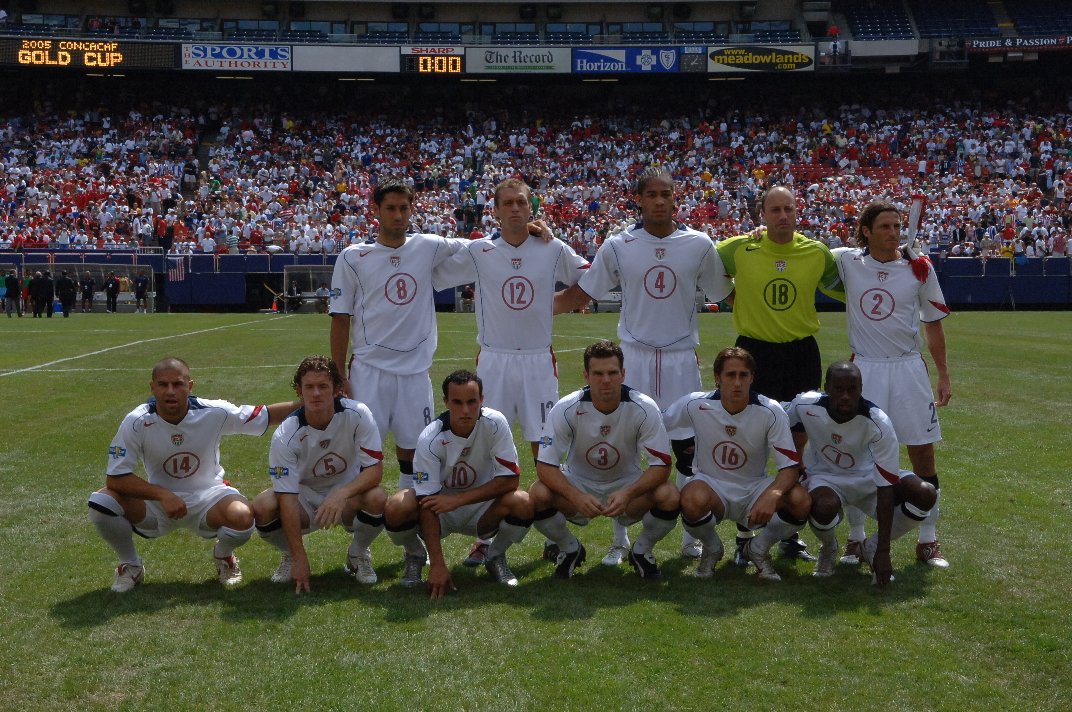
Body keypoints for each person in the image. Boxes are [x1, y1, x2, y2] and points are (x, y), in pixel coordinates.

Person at [555, 168, 732, 565]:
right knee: (627, 449)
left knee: (689, 451)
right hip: (632, 358)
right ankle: (620, 540)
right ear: (639, 199)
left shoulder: (699, 244)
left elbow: (729, 291)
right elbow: (582, 293)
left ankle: (691, 536)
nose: (658, 201)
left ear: (675, 198)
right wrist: (530, 308)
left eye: (665, 194)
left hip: (680, 358)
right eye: (650, 194)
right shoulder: (620, 244)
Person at [435, 177, 589, 567]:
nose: (516, 209)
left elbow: (589, 280)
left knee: (545, 454)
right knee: (488, 453)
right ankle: (486, 539)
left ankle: (554, 536)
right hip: (495, 360)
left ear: (530, 208)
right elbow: (433, 274)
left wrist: (550, 306)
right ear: (496, 210)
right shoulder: (480, 250)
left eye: (522, 202)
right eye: (508, 203)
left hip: (538, 361)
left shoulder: (552, 248)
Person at [87, 357, 297, 592]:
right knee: (101, 502)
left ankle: (224, 556)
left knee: (242, 516)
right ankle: (131, 565)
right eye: (163, 384)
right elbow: (116, 477)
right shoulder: (137, 421)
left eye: (177, 384)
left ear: (190, 386)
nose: (170, 391)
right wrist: (162, 495)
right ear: (152, 387)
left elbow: (266, 415)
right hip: (158, 505)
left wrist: (317, 401)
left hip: (209, 497)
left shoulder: (214, 411)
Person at [715, 184, 843, 564]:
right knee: (750, 443)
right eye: (775, 210)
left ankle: (789, 531)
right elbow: (697, 262)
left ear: (797, 211)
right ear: (762, 215)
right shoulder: (740, 249)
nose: (782, 216)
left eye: (788, 208)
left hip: (802, 352)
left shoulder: (816, 252)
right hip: (754, 352)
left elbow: (852, 283)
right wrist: (736, 299)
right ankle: (744, 533)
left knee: (799, 445)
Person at [833, 200, 952, 568]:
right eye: (884, 226)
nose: (893, 232)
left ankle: (928, 540)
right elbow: (801, 251)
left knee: (922, 453)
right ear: (866, 231)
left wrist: (944, 374)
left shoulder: (919, 267)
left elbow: (932, 323)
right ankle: (855, 538)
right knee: (857, 454)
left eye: (897, 226)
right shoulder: (846, 260)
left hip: (907, 370)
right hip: (863, 370)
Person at [329, 179, 466, 491]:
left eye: (404, 208)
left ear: (412, 209)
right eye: (390, 208)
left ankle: (405, 522)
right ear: (376, 210)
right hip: (368, 370)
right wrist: (338, 373)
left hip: (415, 372)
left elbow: (482, 249)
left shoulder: (429, 246)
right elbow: (340, 317)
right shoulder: (352, 257)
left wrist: (528, 234)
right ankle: (362, 536)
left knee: (415, 451)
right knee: (363, 454)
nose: (398, 215)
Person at [529, 340, 679, 580]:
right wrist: (575, 495)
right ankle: (570, 550)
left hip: (626, 484)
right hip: (580, 483)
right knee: (537, 495)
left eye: (612, 372)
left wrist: (628, 493)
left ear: (623, 374)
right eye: (598, 373)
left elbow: (661, 465)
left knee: (669, 495)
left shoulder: (644, 407)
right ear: (586, 375)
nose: (606, 380)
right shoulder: (565, 408)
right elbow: (545, 466)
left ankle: (642, 551)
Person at [783, 361, 938, 587]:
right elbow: (777, 420)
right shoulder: (805, 405)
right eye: (838, 389)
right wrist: (794, 463)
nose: (845, 396)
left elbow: (885, 485)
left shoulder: (878, 422)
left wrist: (883, 551)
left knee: (925, 493)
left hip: (869, 480)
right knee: (823, 507)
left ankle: (872, 547)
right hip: (826, 478)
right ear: (826, 387)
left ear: (861, 389)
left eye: (852, 389)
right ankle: (829, 548)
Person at [663, 347, 809, 581]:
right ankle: (712, 548)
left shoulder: (770, 411)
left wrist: (773, 494)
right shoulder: (694, 404)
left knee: (800, 501)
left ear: (752, 378)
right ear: (718, 378)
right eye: (731, 375)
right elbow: (658, 424)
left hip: (754, 488)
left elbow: (789, 467)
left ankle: (758, 548)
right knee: (690, 497)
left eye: (744, 375)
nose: (737, 382)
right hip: (712, 486)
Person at [383, 370, 532, 596]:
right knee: (396, 506)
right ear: (446, 402)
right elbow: (426, 501)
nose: (465, 410)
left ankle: (495, 555)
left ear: (482, 400)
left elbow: (511, 479)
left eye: (472, 402)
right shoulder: (430, 438)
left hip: (481, 507)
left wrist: (458, 500)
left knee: (523, 501)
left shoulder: (495, 423)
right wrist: (438, 564)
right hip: (439, 509)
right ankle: (415, 554)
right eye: (457, 402)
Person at [252, 356, 386, 593]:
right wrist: (300, 556)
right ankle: (289, 556)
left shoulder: (358, 414)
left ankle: (358, 553)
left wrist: (341, 494)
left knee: (377, 497)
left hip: (347, 495)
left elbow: (375, 471)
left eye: (323, 386)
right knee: (263, 506)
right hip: (304, 497)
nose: (316, 394)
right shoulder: (285, 435)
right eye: (309, 387)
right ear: (299, 390)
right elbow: (287, 497)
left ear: (337, 389)